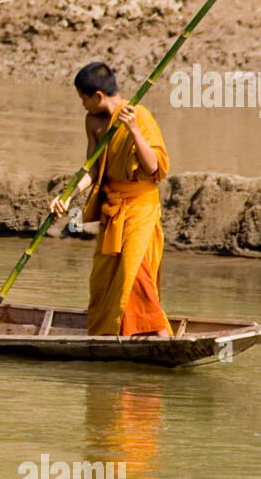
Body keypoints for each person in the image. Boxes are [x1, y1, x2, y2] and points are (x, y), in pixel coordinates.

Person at [50, 61, 172, 336]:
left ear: (97, 96)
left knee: (135, 271)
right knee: (106, 278)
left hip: (140, 208)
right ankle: (115, 333)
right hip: (113, 208)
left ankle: (159, 334)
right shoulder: (92, 121)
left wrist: (134, 131)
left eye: (82, 98)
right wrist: (68, 196)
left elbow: (154, 168)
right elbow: (92, 169)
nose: (81, 105)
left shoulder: (138, 114)